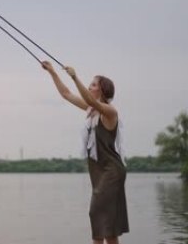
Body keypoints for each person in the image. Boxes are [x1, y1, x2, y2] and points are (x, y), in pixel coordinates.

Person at [42, 61, 129, 244]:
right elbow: (66, 94)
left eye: (93, 84)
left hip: (111, 172)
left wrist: (75, 77)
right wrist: (52, 72)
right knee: (104, 223)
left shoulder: (110, 112)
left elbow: (89, 100)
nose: (90, 86)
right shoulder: (92, 111)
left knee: (99, 215)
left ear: (102, 91)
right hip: (98, 172)